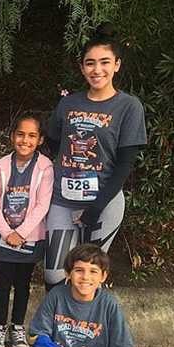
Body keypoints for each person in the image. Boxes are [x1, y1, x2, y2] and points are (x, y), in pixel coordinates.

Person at [44, 23, 147, 290]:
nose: (97, 69)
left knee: (87, 278)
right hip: (63, 201)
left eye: (104, 62)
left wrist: (96, 207)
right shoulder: (68, 103)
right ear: (82, 68)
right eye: (90, 63)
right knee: (55, 275)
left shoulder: (129, 106)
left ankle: (88, 319)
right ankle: (57, 319)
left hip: (104, 203)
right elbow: (52, 142)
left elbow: (125, 164)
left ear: (117, 65)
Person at [0, 113, 54, 347]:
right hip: (3, 238)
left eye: (31, 136)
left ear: (40, 139)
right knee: (3, 284)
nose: (25, 140)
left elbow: (43, 204)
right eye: (20, 134)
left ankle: (17, 327)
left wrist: (22, 233)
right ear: (12, 136)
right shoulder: (1, 166)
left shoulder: (45, 167)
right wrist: (7, 233)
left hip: (30, 238)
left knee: (23, 284)